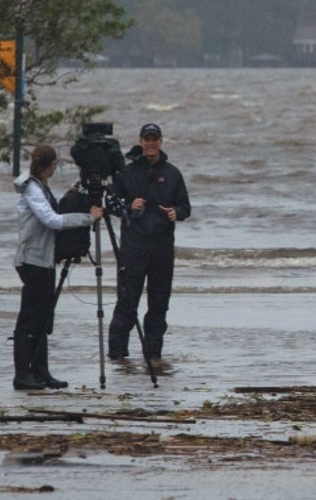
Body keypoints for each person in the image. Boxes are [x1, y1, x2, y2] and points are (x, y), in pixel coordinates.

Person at [12, 144, 104, 390]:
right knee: (30, 319)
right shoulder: (32, 188)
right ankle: (22, 374)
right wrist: (88, 218)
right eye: (55, 165)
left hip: (44, 259)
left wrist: (71, 196)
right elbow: (50, 220)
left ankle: (40, 370)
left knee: (43, 317)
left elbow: (51, 212)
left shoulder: (40, 186)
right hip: (33, 260)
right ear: (50, 165)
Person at [108, 123, 191, 361]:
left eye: (155, 139)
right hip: (134, 247)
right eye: (147, 139)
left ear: (161, 142)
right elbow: (111, 204)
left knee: (159, 304)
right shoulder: (127, 172)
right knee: (127, 302)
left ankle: (153, 355)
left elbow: (186, 207)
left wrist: (177, 212)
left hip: (162, 248)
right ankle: (117, 355)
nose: (151, 143)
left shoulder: (173, 173)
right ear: (141, 141)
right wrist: (127, 206)